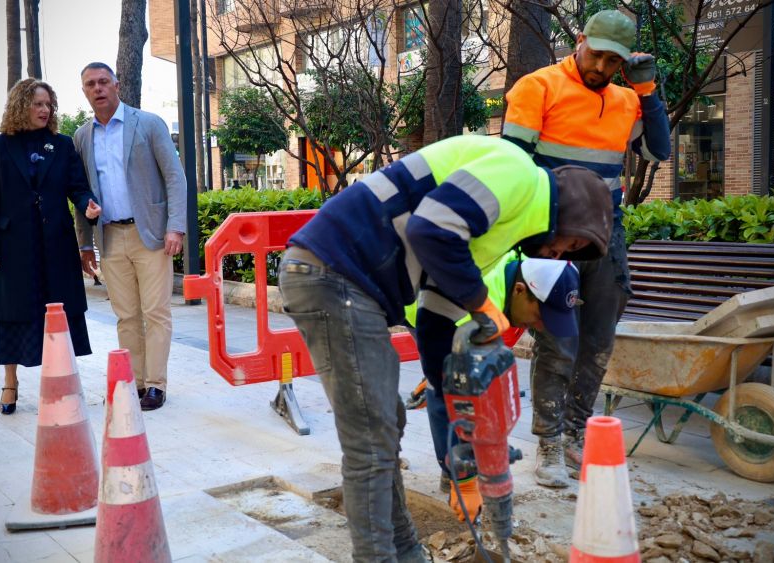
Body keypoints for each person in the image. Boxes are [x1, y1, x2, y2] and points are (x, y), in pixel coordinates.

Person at [278, 133, 613, 561]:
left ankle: (406, 552)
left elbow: (435, 320)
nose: (561, 252)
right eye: (574, 244)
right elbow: (431, 228)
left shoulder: (496, 234)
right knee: (371, 441)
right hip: (333, 272)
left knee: (386, 423)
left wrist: (458, 421)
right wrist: (482, 305)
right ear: (571, 214)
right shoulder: (518, 173)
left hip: (347, 282)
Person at [502, 9, 671, 488]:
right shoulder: (538, 87)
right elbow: (514, 166)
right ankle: (550, 443)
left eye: (613, 61)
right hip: (551, 232)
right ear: (579, 40)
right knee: (557, 340)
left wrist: (647, 92)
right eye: (595, 54)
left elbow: (657, 151)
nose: (600, 67)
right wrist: (531, 240)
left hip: (605, 233)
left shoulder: (625, 99)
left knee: (597, 340)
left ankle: (576, 432)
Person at [405, 252, 582, 521]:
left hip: (447, 307)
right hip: (410, 303)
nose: (540, 326)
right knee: (447, 389)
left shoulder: (518, 269)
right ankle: (452, 474)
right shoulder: (470, 311)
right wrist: (464, 478)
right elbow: (446, 393)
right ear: (520, 290)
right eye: (540, 315)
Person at [0, 78, 102, 415]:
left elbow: (77, 188)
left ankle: (65, 381)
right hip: (13, 247)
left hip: (56, 245)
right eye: (38, 104)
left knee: (60, 312)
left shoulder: (61, 145)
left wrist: (88, 205)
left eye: (49, 104)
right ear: (21, 106)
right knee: (12, 313)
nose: (45, 110)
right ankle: (10, 382)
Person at [73, 62, 188, 411]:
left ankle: (156, 385)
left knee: (156, 312)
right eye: (91, 84)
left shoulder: (148, 123)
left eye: (103, 82)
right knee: (126, 316)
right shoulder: (82, 137)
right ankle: (136, 383)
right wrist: (84, 243)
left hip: (150, 233)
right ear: (85, 91)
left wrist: (175, 227)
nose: (98, 88)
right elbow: (80, 193)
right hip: (109, 236)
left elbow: (174, 177)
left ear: (117, 85)